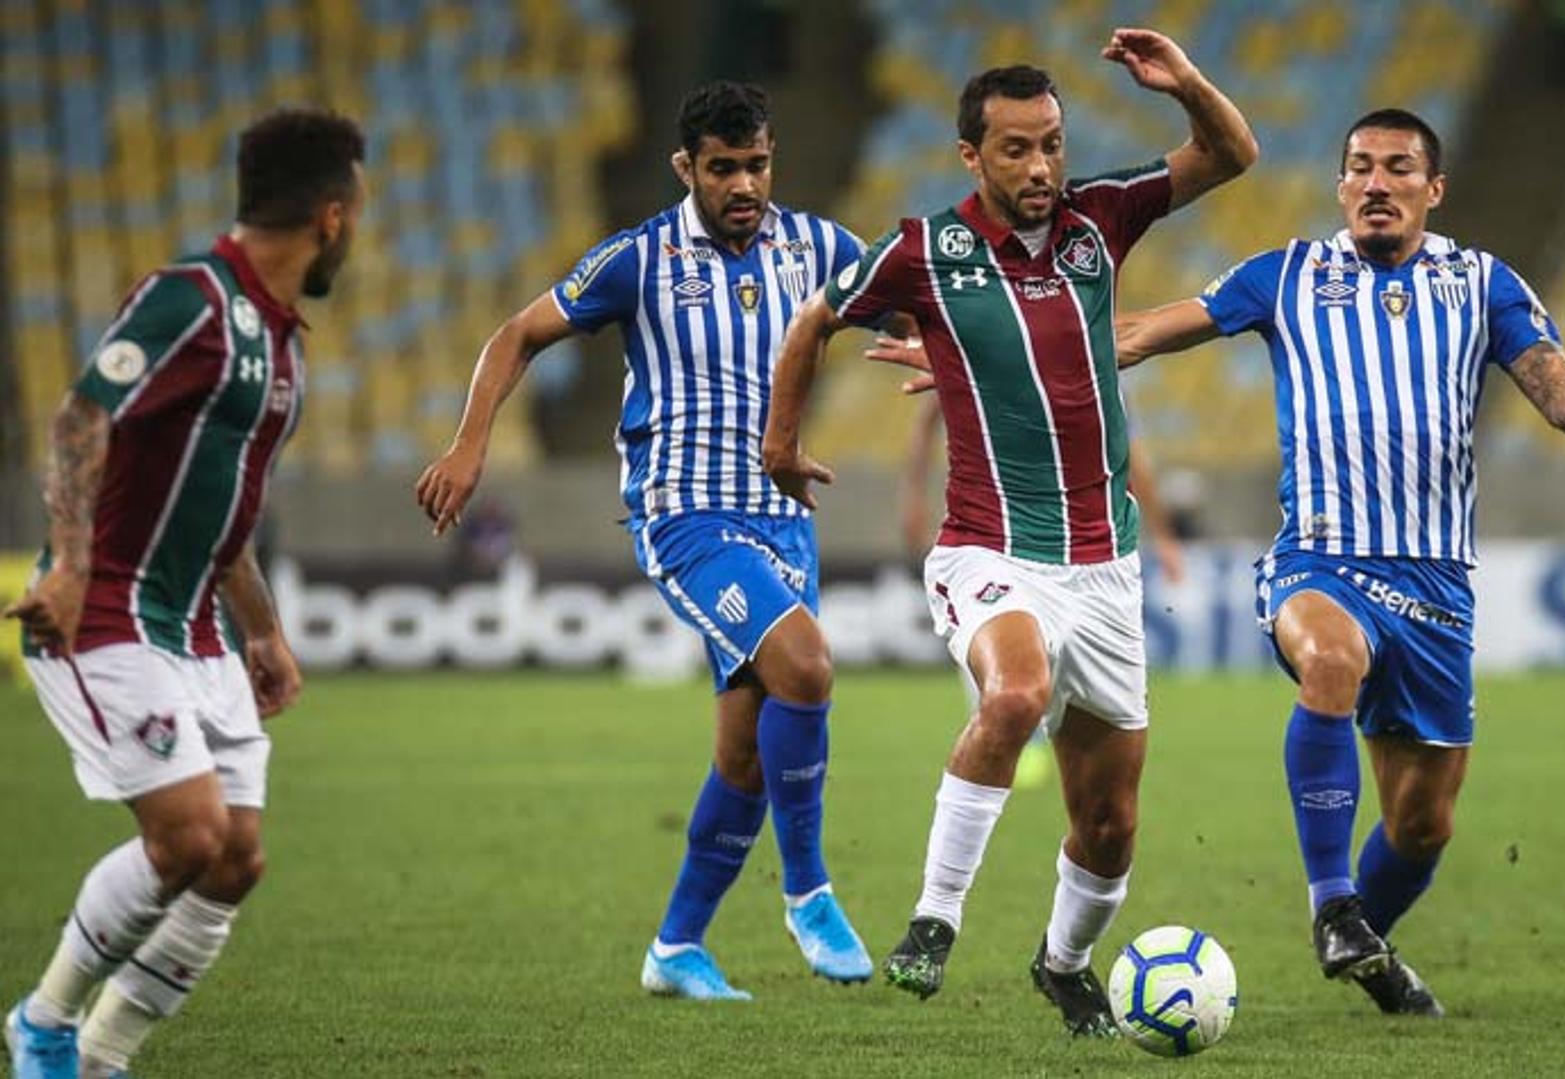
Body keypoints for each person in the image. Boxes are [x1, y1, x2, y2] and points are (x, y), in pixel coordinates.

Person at [1111, 108, 1565, 1014]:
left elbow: (1563, 396)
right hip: (1321, 560)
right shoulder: (1287, 275)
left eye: (1398, 167)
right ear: (1341, 185)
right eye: (1360, 167)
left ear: (1434, 188)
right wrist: (993, 357)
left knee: (1423, 824)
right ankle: (1331, 899)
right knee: (1330, 663)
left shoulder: (1484, 283)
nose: (1376, 182)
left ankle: (1364, 947)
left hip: (1436, 584)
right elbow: (1141, 330)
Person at [763, 30, 1256, 1035]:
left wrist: (1187, 84)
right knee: (1018, 690)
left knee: (1110, 823)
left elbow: (1232, 156)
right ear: (970, 157)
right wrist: (781, 445)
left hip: (1105, 567)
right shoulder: (922, 251)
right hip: (989, 548)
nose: (1041, 168)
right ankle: (931, 923)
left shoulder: (1099, 220)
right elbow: (813, 320)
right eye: (1018, 149)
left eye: (1052, 144)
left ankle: (1063, 960)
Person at [414, 81, 874, 1001]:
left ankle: (675, 948)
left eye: (757, 164)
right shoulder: (641, 259)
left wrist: (932, 346)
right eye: (723, 168)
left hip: (786, 516)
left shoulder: (820, 247)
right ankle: (810, 889)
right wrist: (471, 443)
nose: (744, 184)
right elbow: (518, 334)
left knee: (746, 753)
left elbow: (913, 310)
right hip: (687, 516)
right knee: (809, 667)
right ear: (685, 168)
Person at [4, 108, 366, 1079]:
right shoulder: (191, 299)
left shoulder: (281, 344)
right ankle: (42, 1025)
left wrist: (266, 631)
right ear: (333, 216)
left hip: (195, 628)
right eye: (358, 212)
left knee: (236, 858)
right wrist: (73, 563)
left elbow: (222, 516)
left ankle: (101, 1054)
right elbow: (83, 415)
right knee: (189, 833)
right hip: (108, 610)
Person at [897, 396, 1188, 791]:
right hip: (988, 535)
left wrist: (1164, 536)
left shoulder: (1096, 364)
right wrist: (914, 496)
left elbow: (1130, 454)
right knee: (993, 642)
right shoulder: (981, 343)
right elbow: (928, 414)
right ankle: (1011, 730)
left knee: (1063, 672)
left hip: (1075, 547)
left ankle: (1040, 726)